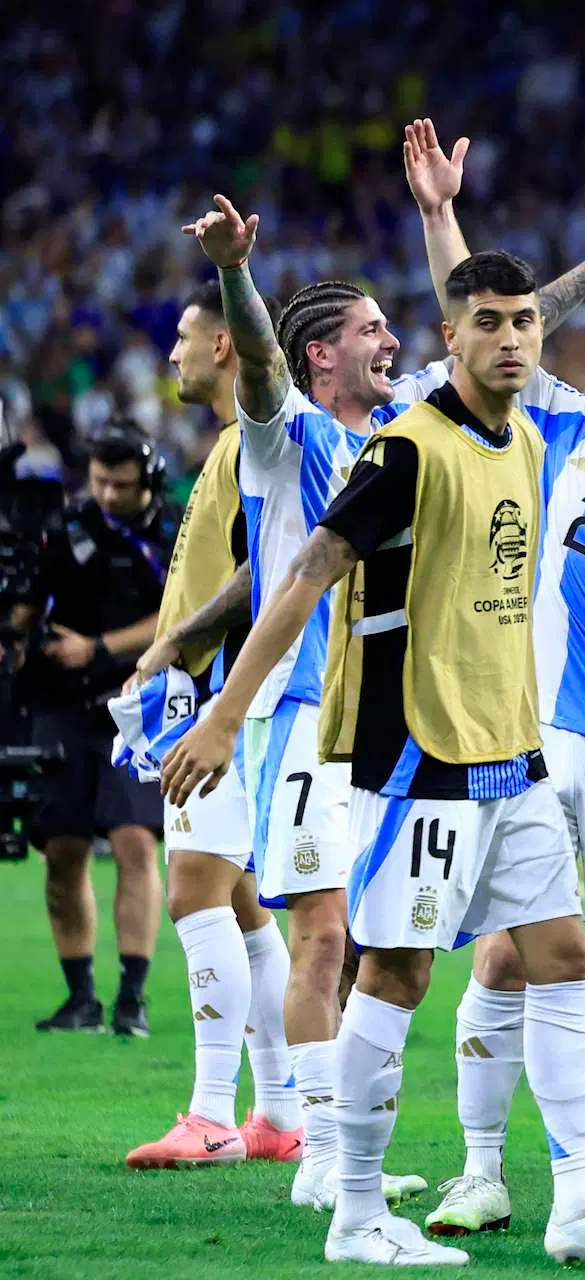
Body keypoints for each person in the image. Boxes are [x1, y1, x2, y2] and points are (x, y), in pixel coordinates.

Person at [163, 250, 585, 1266]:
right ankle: (355, 1209)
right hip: (421, 755)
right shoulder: (404, 449)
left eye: (524, 323)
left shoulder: (521, 442)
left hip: (515, 755)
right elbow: (300, 573)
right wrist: (220, 713)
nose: (513, 338)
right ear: (450, 338)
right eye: (490, 323)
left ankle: (580, 1197)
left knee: (563, 955)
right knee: (395, 969)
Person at [397, 119, 585, 1253]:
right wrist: (442, 216)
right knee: (505, 947)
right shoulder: (557, 428)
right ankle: (483, 1171)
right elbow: (486, 332)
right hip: (525, 735)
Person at [179, 193, 433, 1214]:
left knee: (374, 937)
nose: (392, 340)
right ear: (321, 355)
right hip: (296, 721)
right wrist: (237, 273)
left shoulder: (393, 436)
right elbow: (261, 361)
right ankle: (324, 1156)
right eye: (371, 329)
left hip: (383, 723)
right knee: (324, 930)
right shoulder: (283, 433)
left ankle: (341, 1141)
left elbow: (508, 325)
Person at [121, 281, 305, 1168]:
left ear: (226, 345)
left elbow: (260, 580)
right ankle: (275, 1115)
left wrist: (173, 650)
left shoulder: (255, 448)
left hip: (227, 692)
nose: (173, 358)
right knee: (241, 903)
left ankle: (210, 1116)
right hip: (220, 688)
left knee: (194, 886)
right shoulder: (233, 445)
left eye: (185, 341)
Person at [23, 429, 181, 1037]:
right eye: (98, 481)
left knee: (135, 840)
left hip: (137, 703)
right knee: (61, 848)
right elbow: (31, 606)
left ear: (148, 481)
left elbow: (179, 613)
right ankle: (80, 996)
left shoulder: (174, 533)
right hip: (60, 703)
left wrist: (96, 649)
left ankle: (133, 996)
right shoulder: (65, 530)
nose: (107, 494)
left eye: (120, 483)